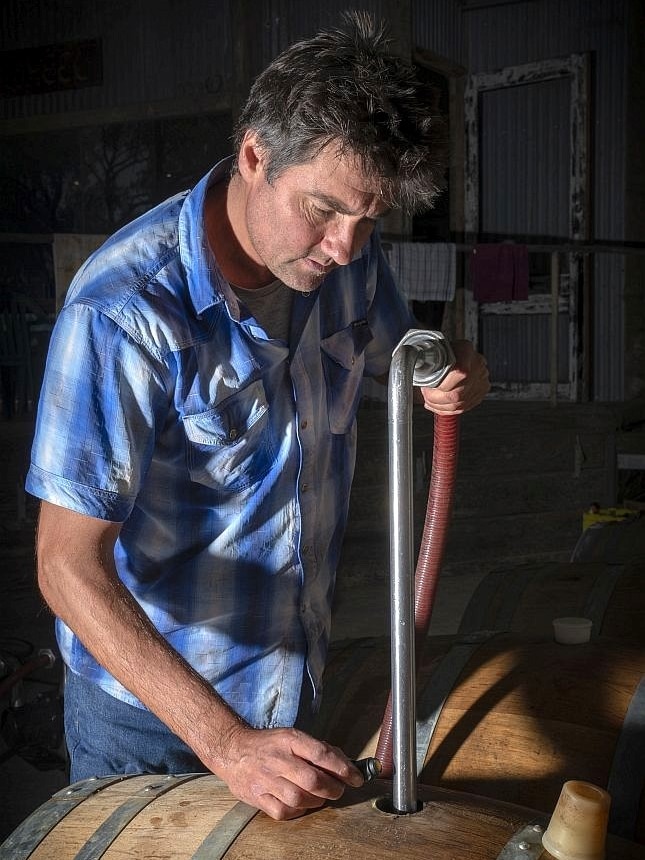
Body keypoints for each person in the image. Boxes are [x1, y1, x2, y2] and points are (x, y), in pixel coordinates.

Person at [26, 12, 489, 821]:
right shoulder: (125, 312)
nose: (345, 246)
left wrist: (446, 369)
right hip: (150, 719)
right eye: (323, 210)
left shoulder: (344, 260)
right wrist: (224, 743)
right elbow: (67, 567)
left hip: (292, 682)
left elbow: (400, 355)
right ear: (253, 155)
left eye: (368, 220)